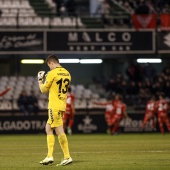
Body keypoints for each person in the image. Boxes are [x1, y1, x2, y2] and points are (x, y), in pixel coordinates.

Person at [38, 54, 73, 166]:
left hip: (54, 106)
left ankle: (67, 156)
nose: (49, 68)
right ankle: (49, 156)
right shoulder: (67, 73)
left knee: (59, 130)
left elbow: (43, 90)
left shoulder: (52, 73)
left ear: (51, 63)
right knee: (48, 128)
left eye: (49, 65)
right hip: (62, 105)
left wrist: (40, 80)